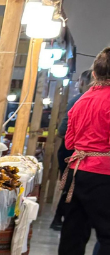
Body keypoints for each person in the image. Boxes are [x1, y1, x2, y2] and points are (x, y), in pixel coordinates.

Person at [54, 48, 110, 255]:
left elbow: (69, 141)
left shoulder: (82, 99)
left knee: (74, 230)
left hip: (77, 170)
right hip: (103, 172)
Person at [53, 70, 94, 230]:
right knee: (73, 187)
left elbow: (63, 129)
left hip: (74, 152)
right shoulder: (83, 100)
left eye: (79, 81)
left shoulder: (79, 100)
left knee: (72, 187)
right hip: (81, 154)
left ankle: (62, 219)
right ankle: (60, 218)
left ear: (83, 82)